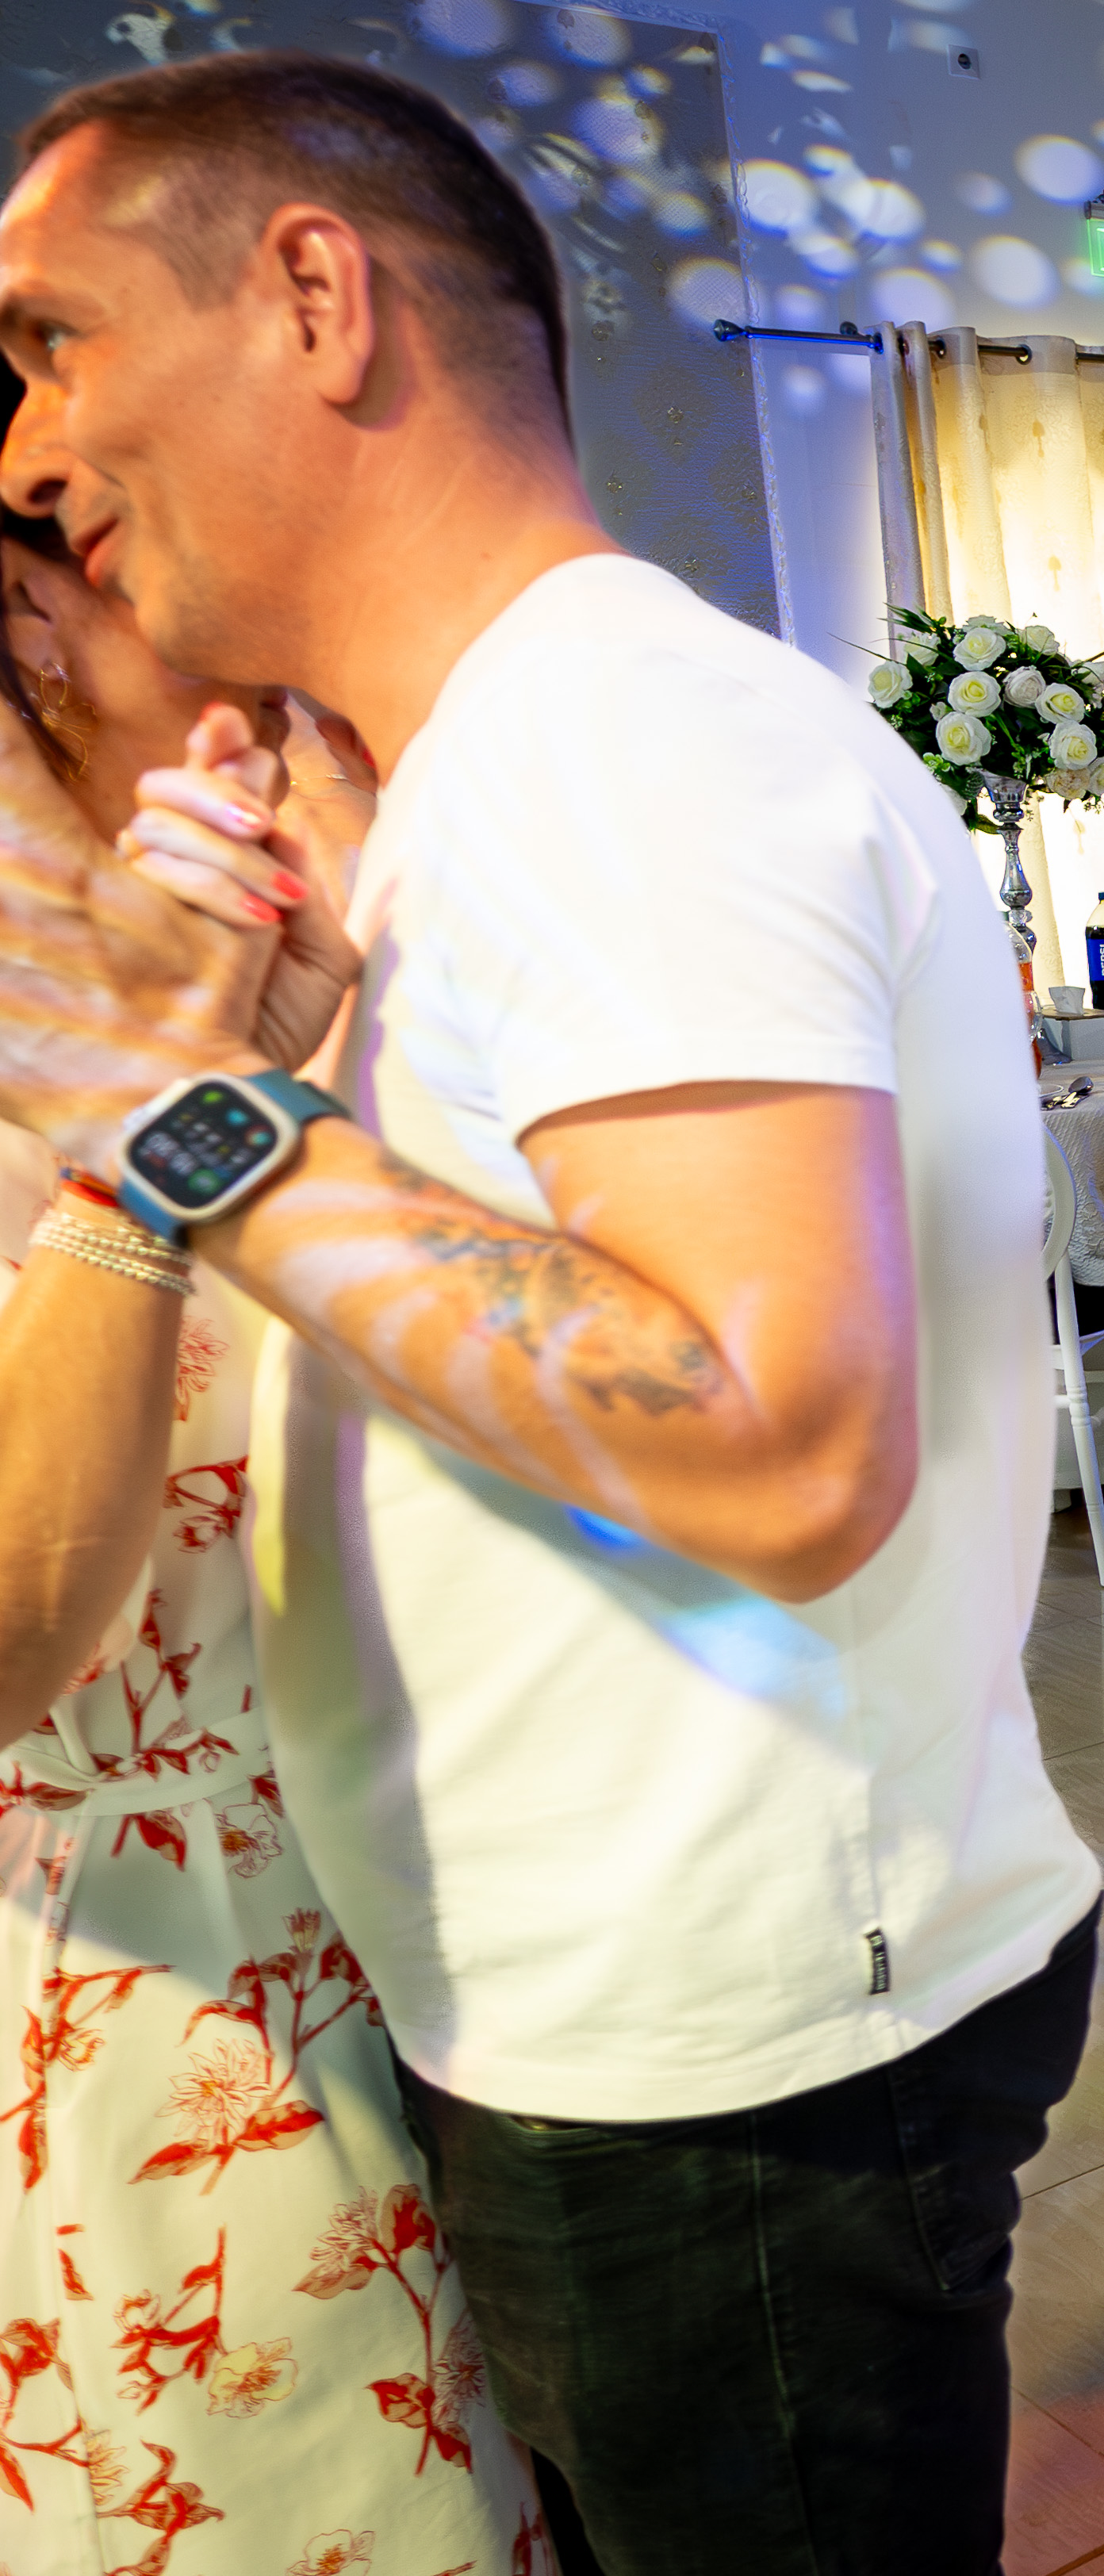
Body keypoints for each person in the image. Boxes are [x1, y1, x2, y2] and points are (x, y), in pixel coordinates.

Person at [0, 55, 1104, 2559]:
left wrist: (191, 1120)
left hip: (725, 2050)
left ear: (314, 296)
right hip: (618, 2011)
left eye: (60, 341)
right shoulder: (499, 767)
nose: (36, 451)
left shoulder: (622, 743)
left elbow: (782, 1441)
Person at [0, 479, 536, 2566]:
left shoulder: (272, 924)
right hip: (173, 1976)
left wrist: (267, 1060)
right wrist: (159, 1125)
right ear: (41, 619)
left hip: (438, 1906)